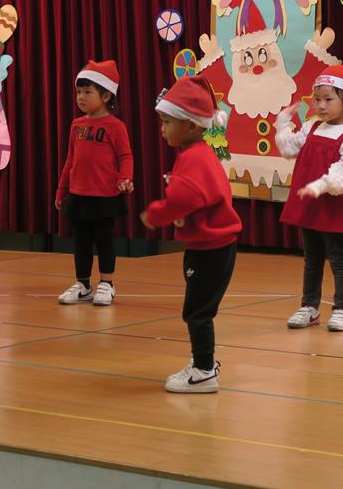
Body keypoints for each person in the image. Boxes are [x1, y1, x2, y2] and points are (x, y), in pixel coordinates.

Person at [143, 75, 241, 393]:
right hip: (211, 246)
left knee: (197, 312)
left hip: (210, 249)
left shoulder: (194, 158)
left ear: (190, 125)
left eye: (167, 122)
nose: (162, 128)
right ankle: (203, 362)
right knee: (199, 309)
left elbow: (183, 198)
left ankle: (204, 371)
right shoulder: (196, 154)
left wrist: (156, 214)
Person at [276, 64, 343, 332]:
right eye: (317, 99)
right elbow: (288, 148)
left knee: (338, 259)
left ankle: (342, 309)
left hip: (334, 208)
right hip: (311, 208)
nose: (320, 105)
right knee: (312, 259)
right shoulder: (311, 127)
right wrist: (283, 123)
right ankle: (310, 307)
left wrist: (318, 186)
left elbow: (342, 176)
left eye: (328, 99)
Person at [56, 60, 134, 306]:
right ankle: (83, 285)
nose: (81, 97)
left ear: (106, 95)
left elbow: (125, 156)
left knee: (104, 240)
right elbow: (70, 159)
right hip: (78, 195)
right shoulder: (76, 125)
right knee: (81, 242)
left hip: (104, 196)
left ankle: (107, 284)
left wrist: (124, 178)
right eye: (78, 91)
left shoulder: (115, 126)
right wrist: (62, 190)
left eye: (87, 92)